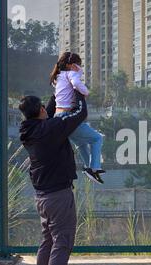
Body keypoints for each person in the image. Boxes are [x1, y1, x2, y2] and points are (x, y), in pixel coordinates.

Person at [19, 92, 88, 265]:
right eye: (42, 107)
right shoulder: (52, 128)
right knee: (62, 241)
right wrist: (78, 93)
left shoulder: (29, 129)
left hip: (42, 196)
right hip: (58, 195)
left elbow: (47, 113)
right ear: (39, 111)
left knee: (48, 239)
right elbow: (80, 113)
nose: (45, 110)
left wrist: (58, 90)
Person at [50, 51, 105, 184]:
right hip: (67, 116)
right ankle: (94, 167)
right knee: (97, 138)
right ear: (71, 65)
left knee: (81, 143)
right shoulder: (70, 73)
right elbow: (76, 83)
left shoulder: (59, 76)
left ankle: (88, 167)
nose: (79, 67)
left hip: (58, 117)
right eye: (78, 65)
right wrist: (86, 91)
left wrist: (77, 70)